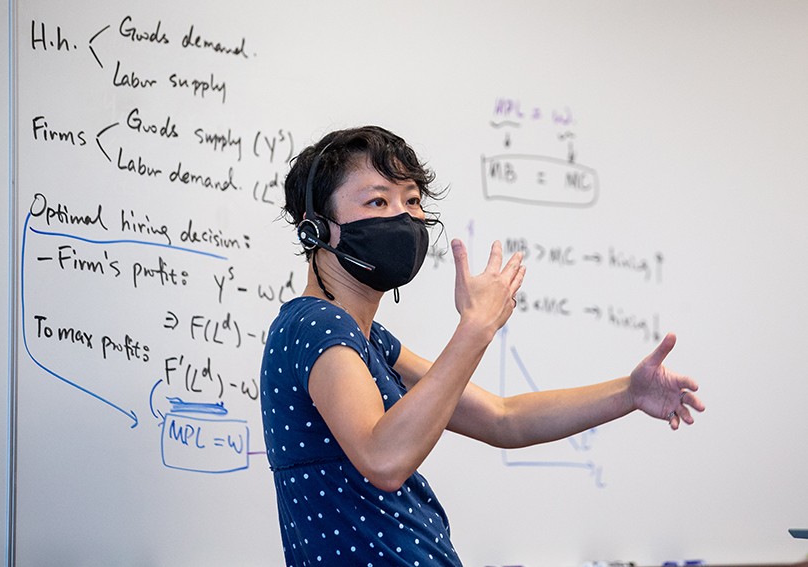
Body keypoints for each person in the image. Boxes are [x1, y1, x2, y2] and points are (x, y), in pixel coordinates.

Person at [260, 125, 704, 567]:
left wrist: (629, 392)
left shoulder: (370, 339)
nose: (404, 217)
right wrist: (475, 328)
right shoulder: (315, 324)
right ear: (314, 230)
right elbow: (384, 458)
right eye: (378, 200)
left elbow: (502, 419)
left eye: (412, 200)